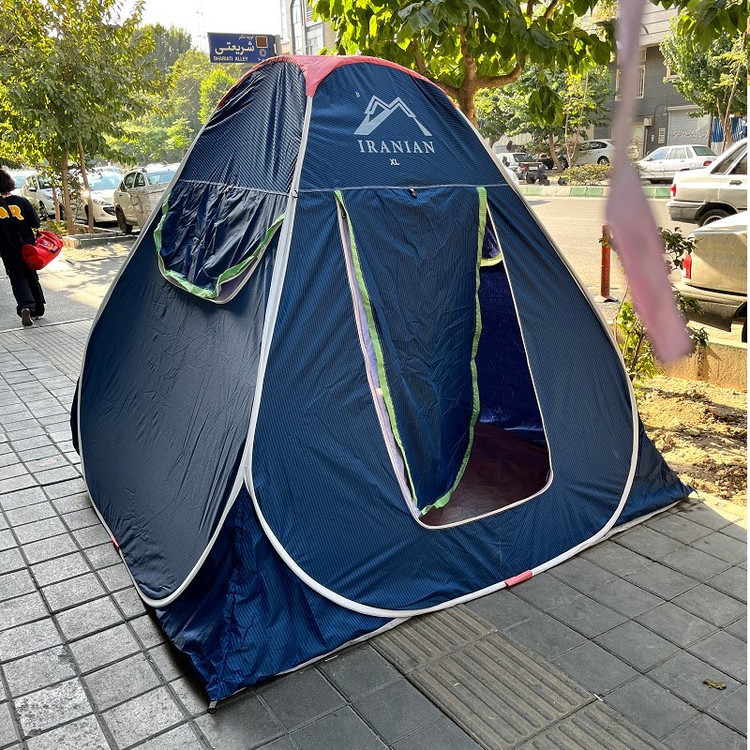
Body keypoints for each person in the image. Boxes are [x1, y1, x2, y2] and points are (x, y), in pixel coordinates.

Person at [0, 168, 45, 326]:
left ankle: (26, 306)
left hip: (8, 250)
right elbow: (36, 223)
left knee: (18, 279)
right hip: (28, 248)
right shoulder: (22, 201)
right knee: (31, 276)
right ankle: (38, 308)